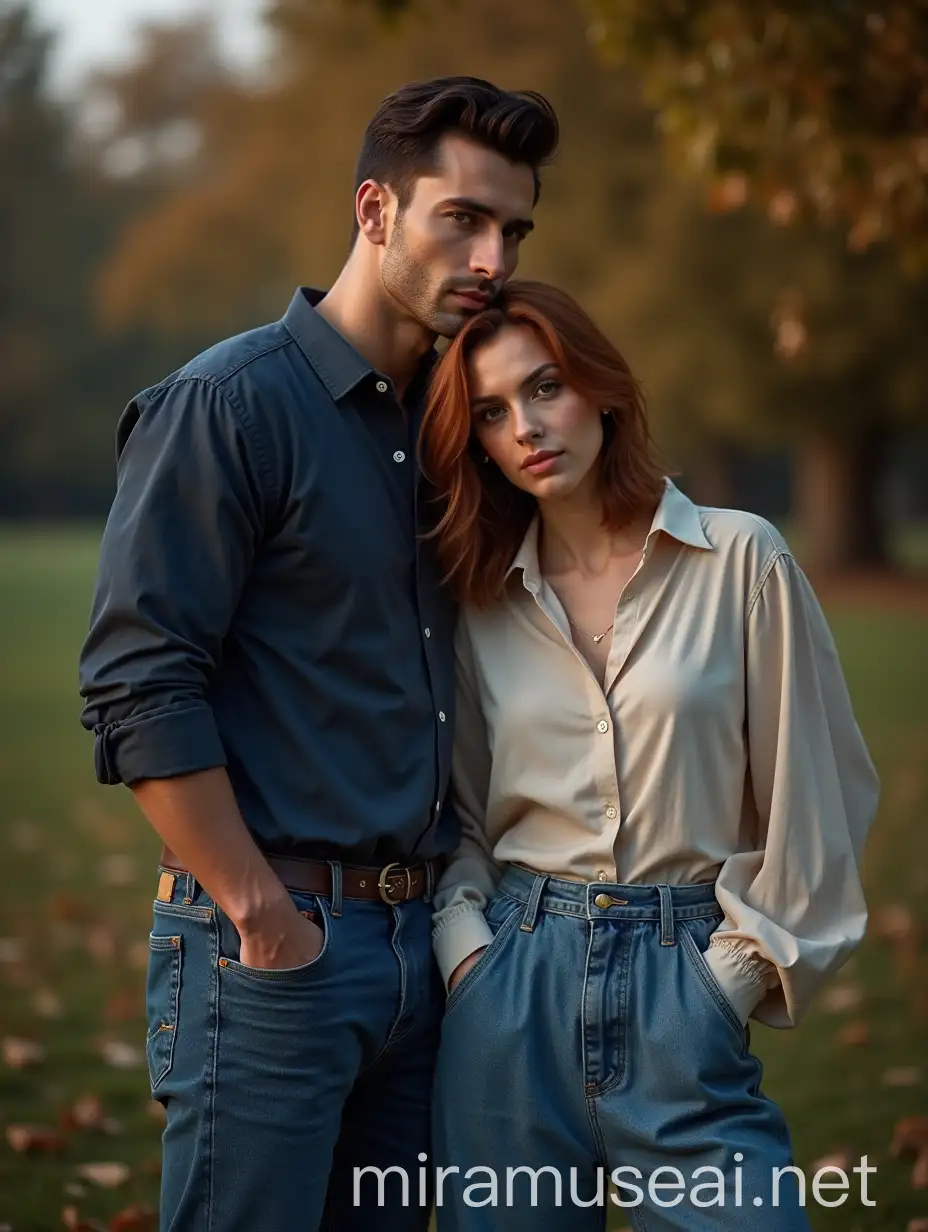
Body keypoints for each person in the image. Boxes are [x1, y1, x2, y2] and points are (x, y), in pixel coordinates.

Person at [78, 80, 559, 1232]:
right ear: (376, 208)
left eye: (514, 231)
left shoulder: (457, 428)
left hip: (423, 947)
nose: (491, 255)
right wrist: (261, 915)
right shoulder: (227, 406)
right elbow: (139, 681)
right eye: (463, 218)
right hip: (273, 949)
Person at [419, 280, 880, 1231]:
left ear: (602, 389)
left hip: (685, 984)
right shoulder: (480, 603)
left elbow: (816, 790)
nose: (527, 428)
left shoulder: (741, 561)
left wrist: (733, 977)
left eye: (545, 387)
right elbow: (460, 814)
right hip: (513, 991)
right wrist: (470, 956)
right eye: (494, 413)